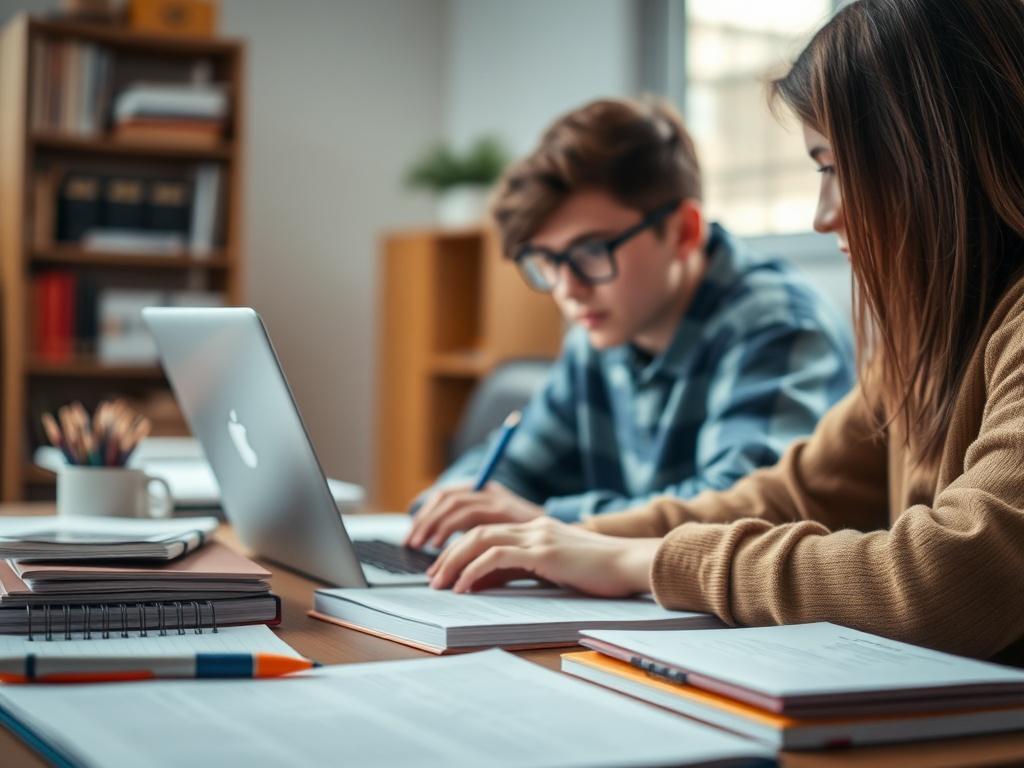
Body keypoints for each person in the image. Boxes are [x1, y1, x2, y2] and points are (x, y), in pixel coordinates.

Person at [425, 0, 1024, 663]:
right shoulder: (921, 343)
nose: (824, 216)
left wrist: (640, 559)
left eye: (833, 169)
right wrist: (568, 535)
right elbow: (782, 496)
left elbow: (951, 577)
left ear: (937, 160)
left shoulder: (780, 323)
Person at [405, 97, 853, 550]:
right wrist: (458, 498)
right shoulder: (600, 332)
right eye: (547, 262)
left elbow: (743, 512)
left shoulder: (778, 324)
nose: (568, 290)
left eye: (591, 252)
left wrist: (552, 522)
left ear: (683, 231)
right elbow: (515, 467)